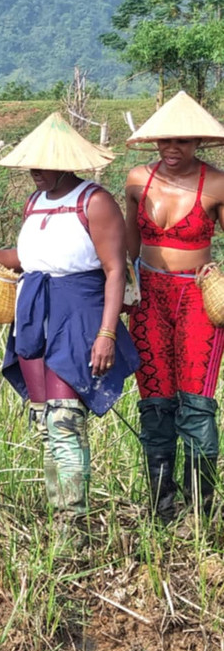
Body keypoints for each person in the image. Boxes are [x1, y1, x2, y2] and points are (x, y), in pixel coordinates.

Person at [0, 112, 138, 528]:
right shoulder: (34, 203)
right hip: (34, 309)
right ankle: (61, 514)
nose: (35, 172)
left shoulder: (96, 201)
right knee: (46, 420)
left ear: (65, 162)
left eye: (43, 165)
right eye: (31, 165)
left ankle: (73, 524)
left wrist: (106, 332)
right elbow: (29, 258)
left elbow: (114, 271)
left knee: (66, 417)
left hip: (80, 311)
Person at [122, 91, 224, 522]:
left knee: (196, 401)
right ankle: (164, 510)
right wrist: (123, 290)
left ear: (197, 143)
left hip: (197, 298)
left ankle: (201, 510)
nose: (172, 149)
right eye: (165, 141)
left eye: (182, 141)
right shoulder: (136, 180)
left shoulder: (217, 183)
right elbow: (128, 244)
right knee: (156, 400)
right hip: (148, 298)